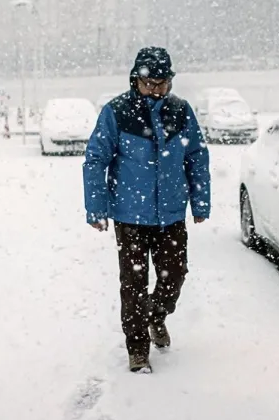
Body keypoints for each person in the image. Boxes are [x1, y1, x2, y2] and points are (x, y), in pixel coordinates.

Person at [82, 47, 211, 374]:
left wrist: (200, 201)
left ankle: (157, 316)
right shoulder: (116, 112)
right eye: (150, 83)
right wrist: (97, 207)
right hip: (130, 217)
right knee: (133, 285)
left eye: (163, 82)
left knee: (175, 278)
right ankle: (137, 348)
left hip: (170, 216)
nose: (157, 89)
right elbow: (96, 160)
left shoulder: (181, 111)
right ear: (135, 80)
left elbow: (196, 156)